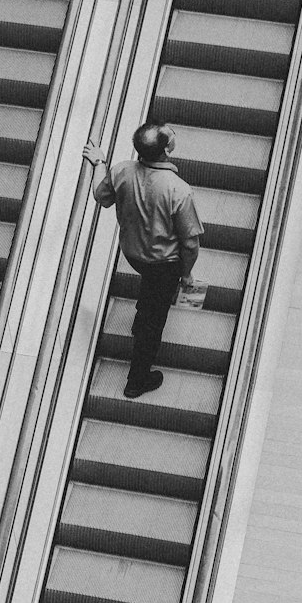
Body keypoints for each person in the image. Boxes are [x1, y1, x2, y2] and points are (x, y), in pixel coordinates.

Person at [83, 122, 203, 400]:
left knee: (149, 292)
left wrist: (99, 162)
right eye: (169, 134)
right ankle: (137, 380)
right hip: (164, 265)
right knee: (153, 323)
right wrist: (186, 275)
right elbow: (190, 243)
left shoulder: (122, 171)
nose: (173, 132)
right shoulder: (179, 190)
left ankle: (142, 316)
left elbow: (101, 197)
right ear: (165, 150)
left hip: (134, 253)